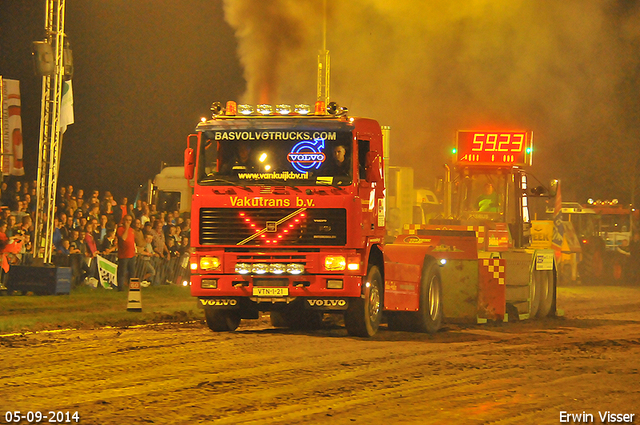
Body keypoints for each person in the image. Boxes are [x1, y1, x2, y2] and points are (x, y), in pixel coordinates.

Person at [116, 214, 136, 291]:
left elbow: (132, 241)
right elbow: (123, 238)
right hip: (123, 255)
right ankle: (120, 287)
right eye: (127, 220)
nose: (128, 222)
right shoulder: (120, 229)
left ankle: (132, 287)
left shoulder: (132, 230)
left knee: (132, 272)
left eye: (130, 220)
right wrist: (126, 229)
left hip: (131, 254)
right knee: (122, 272)